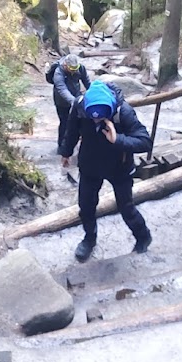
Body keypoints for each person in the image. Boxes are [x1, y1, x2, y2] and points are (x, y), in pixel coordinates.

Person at [60, 80, 152, 262]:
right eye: (92, 118)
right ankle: (89, 238)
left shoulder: (123, 112)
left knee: (126, 207)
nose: (96, 121)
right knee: (86, 206)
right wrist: (66, 152)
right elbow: (71, 131)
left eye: (100, 118)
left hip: (119, 166)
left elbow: (145, 142)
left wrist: (118, 140)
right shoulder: (79, 107)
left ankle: (143, 236)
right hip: (90, 163)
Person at [52, 53, 91, 154]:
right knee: (65, 123)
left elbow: (87, 82)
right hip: (61, 102)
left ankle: (76, 145)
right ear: (65, 65)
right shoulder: (58, 72)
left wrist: (93, 94)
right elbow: (62, 89)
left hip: (76, 96)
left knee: (79, 122)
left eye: (75, 69)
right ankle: (62, 148)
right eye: (71, 69)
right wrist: (73, 101)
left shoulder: (81, 68)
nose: (74, 71)